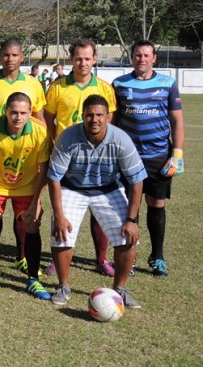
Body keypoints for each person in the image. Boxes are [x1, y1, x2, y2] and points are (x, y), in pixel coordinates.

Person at [47, 95, 147, 308]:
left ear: (108, 117)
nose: (94, 119)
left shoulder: (120, 139)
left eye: (99, 115)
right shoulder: (68, 137)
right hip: (73, 187)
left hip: (108, 189)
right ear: (82, 116)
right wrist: (59, 215)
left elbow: (137, 181)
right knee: (62, 233)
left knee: (128, 237)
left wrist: (132, 219)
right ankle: (64, 286)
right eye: (89, 115)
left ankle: (120, 289)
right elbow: (54, 177)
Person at [43, 38, 118, 277]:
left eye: (87, 58)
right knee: (61, 208)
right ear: (71, 59)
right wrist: (57, 142)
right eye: (78, 58)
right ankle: (59, 257)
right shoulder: (58, 87)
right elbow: (47, 118)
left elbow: (110, 119)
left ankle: (101, 259)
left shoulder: (105, 88)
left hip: (97, 157)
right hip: (66, 158)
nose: (83, 63)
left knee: (100, 207)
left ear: (94, 59)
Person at [112, 40, 184, 277]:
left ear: (154, 58)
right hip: (128, 157)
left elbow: (177, 120)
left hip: (158, 157)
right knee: (129, 209)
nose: (141, 59)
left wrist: (177, 154)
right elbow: (114, 121)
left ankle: (157, 257)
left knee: (156, 205)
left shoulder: (168, 83)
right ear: (131, 57)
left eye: (146, 55)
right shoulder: (120, 84)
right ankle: (128, 256)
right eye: (137, 55)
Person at [0, 38, 46, 278]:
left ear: (22, 57)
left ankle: (23, 257)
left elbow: (38, 116)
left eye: (14, 55)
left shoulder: (33, 84)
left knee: (26, 219)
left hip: (24, 156)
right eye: (5, 55)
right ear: (0, 56)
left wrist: (42, 140)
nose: (10, 59)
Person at [0, 92, 52, 300]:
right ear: (6, 111)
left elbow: (44, 168)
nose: (18, 117)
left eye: (23, 113)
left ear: (30, 113)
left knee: (32, 223)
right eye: (14, 113)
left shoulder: (40, 132)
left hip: (26, 185)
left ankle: (33, 280)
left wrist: (36, 201)